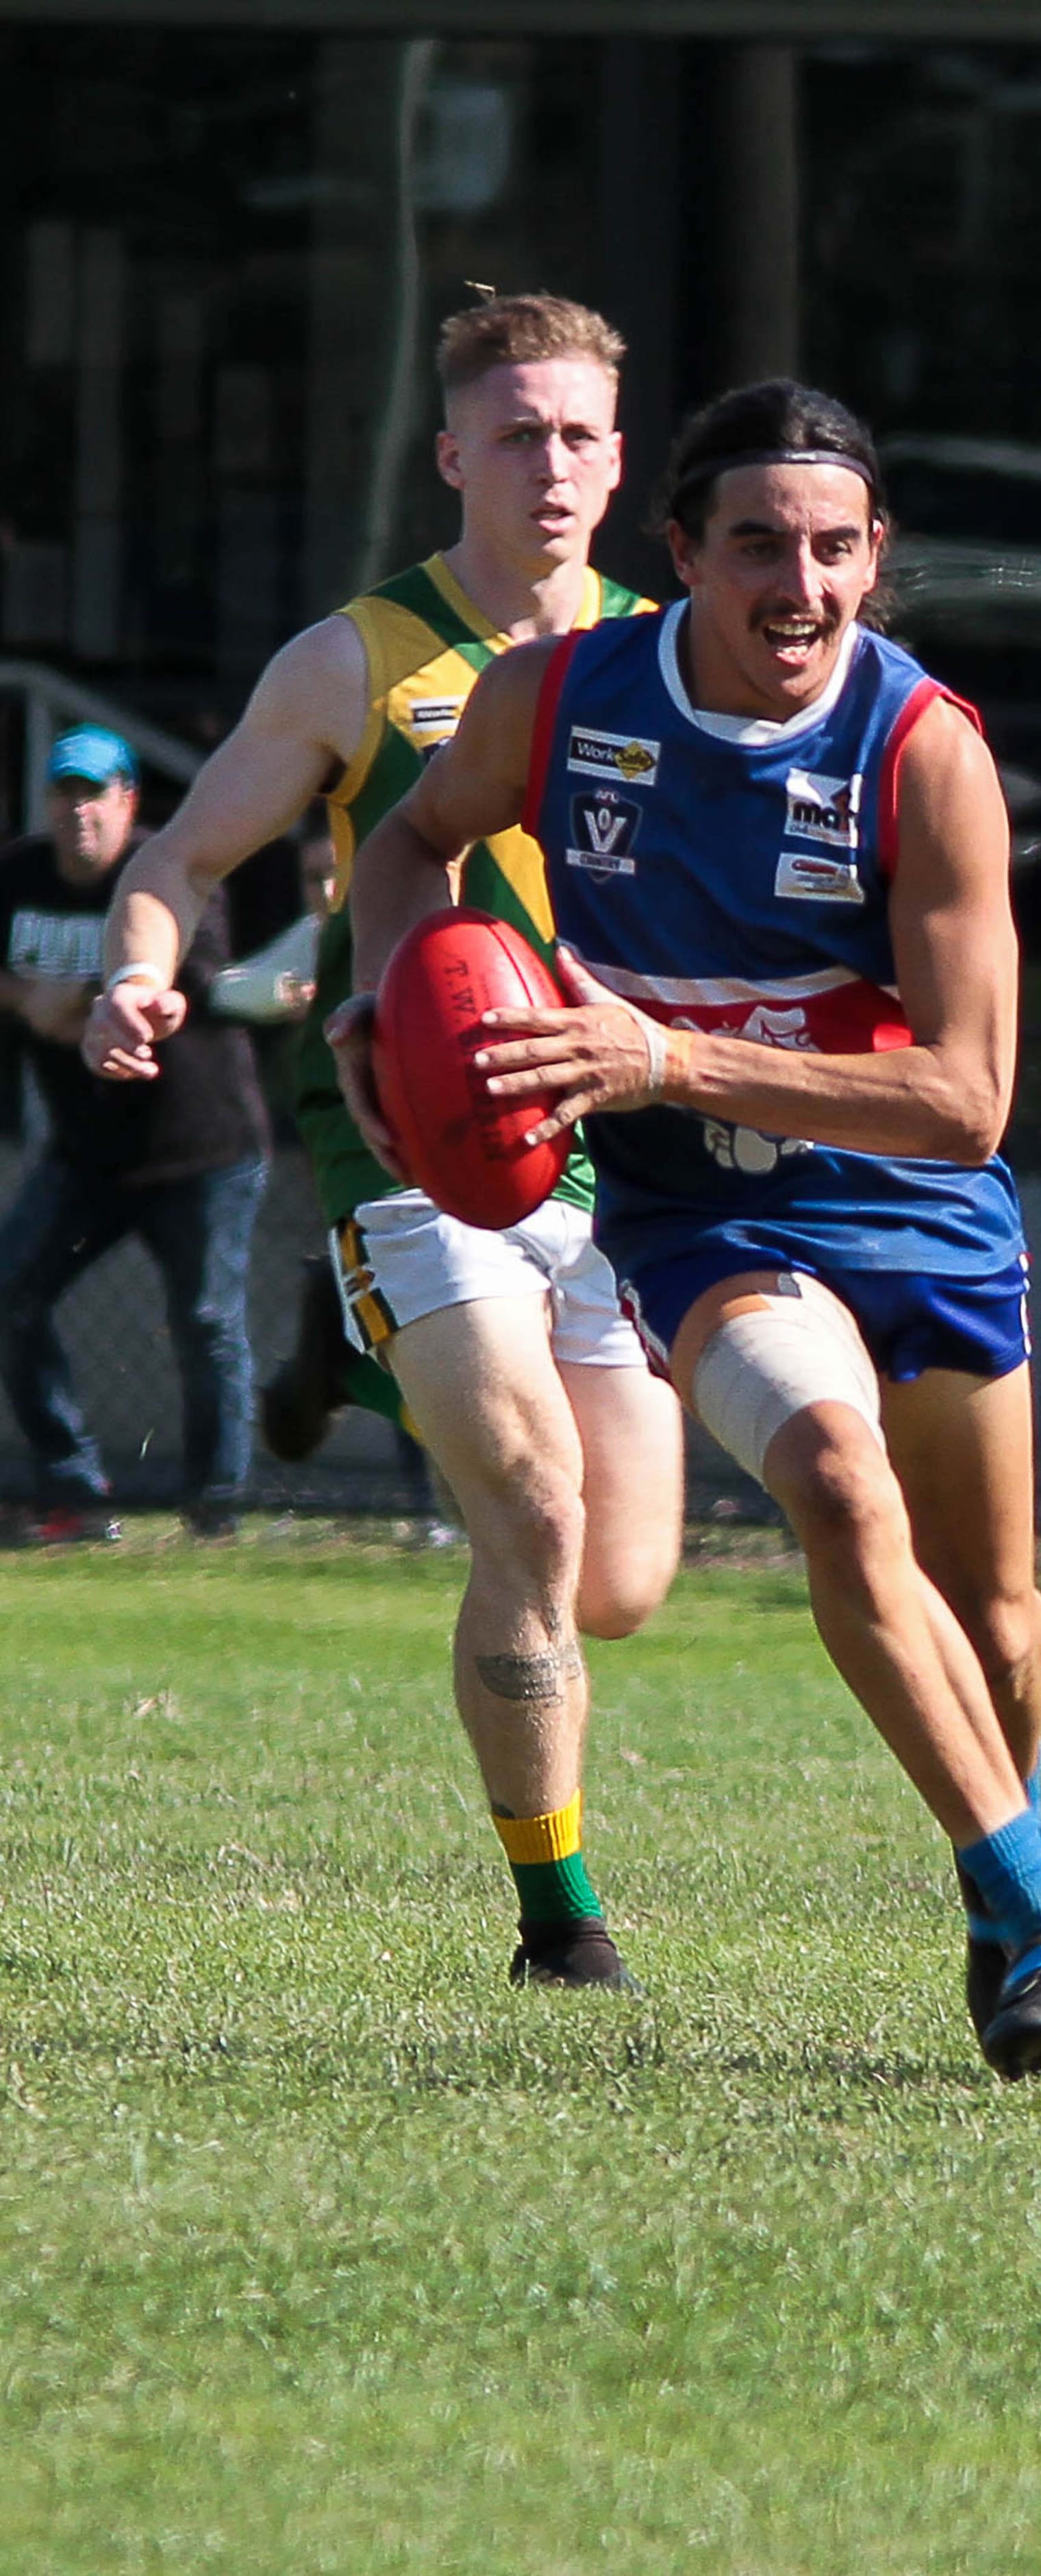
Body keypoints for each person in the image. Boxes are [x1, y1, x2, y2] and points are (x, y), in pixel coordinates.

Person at [335, 378, 1041, 2081]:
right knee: (839, 1495)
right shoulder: (553, 697)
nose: (802, 585)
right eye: (760, 544)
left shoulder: (922, 751)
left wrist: (658, 1048)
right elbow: (408, 845)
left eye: (837, 548)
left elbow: (967, 1098)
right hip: (702, 1211)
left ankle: (1012, 1916)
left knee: (994, 1612)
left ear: (876, 559)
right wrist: (383, 1005)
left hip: (912, 1199)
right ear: (680, 553)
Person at [82, 294, 683, 1991]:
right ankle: (559, 1924)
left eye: (577, 435)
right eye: (515, 434)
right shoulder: (357, 658)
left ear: (619, 458)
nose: (549, 464)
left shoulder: (670, 652)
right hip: (407, 1137)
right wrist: (141, 977)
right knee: (535, 1521)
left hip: (613, 1153)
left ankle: (350, 1360)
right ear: (450, 457)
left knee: (625, 1584)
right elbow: (176, 864)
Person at [0, 724, 269, 1540]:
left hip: (203, 1151)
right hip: (87, 1156)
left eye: (95, 792)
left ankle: (216, 1511)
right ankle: (75, 1490)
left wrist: (79, 1001)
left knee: (206, 1321)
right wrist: (22, 995)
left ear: (127, 802)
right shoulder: (18, 874)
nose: (78, 810)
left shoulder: (165, 872)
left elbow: (188, 981)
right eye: (64, 792)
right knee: (13, 1294)